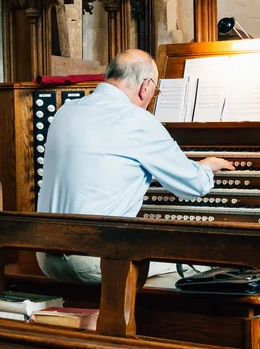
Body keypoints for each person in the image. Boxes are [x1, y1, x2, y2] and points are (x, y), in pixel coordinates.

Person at [36, 49, 234, 283]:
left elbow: (107, 167)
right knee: (202, 262)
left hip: (46, 257)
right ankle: (144, 319)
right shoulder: (136, 119)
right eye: (155, 90)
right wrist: (205, 167)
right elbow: (194, 186)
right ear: (146, 86)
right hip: (94, 260)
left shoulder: (66, 110)